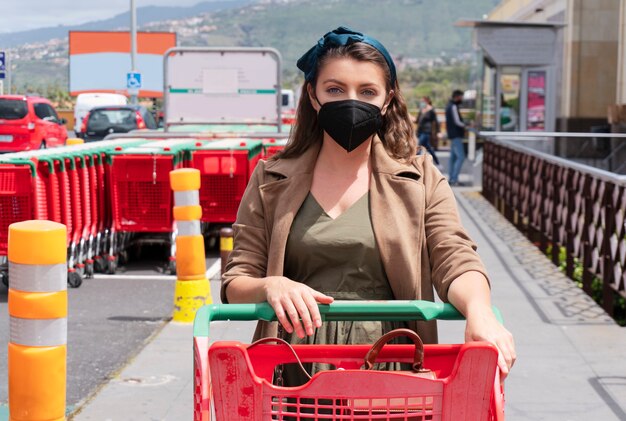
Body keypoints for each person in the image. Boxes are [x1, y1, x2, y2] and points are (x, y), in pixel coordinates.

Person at [221, 27, 515, 386]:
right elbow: (236, 281)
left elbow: (454, 257)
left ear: (387, 100)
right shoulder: (271, 179)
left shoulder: (420, 179)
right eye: (335, 89)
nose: (351, 101)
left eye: (367, 92)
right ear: (313, 95)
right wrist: (272, 286)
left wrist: (479, 311)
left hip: (393, 362)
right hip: (295, 365)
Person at [445, 90, 468, 186]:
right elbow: (457, 121)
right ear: (457, 97)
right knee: (461, 157)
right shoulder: (453, 106)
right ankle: (454, 179)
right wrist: (466, 125)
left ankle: (451, 178)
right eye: (461, 97)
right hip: (456, 135)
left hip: (452, 134)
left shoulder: (449, 105)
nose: (462, 99)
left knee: (453, 158)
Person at [415, 96, 440, 165]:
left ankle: (415, 163)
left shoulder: (431, 110)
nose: (421, 103)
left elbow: (435, 122)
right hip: (420, 131)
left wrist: (438, 132)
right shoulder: (421, 110)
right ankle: (437, 163)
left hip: (426, 132)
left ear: (427, 101)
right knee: (428, 148)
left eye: (423, 101)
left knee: (418, 147)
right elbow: (417, 120)